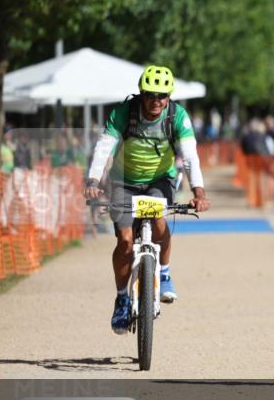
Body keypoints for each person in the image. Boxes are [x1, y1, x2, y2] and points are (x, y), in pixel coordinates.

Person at [83, 65, 211, 334]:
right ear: (141, 93)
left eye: (162, 95)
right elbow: (104, 147)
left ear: (169, 97)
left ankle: (164, 272)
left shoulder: (177, 117)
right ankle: (121, 299)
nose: (156, 100)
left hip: (159, 180)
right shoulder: (124, 113)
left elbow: (189, 156)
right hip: (123, 181)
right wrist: (93, 180)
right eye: (151, 94)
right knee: (125, 240)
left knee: (158, 218)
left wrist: (198, 192)